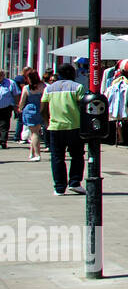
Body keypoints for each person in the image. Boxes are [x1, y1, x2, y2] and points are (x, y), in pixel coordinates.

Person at [42, 63, 86, 197]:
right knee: (77, 156)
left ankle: (59, 187)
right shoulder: (77, 87)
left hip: (55, 127)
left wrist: (47, 122)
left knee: (57, 157)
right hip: (75, 126)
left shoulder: (49, 89)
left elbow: (43, 108)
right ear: (72, 74)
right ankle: (75, 182)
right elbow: (83, 107)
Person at [18, 71, 45, 162]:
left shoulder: (26, 88)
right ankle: (32, 152)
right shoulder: (42, 86)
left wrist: (20, 108)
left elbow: (22, 101)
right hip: (39, 109)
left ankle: (37, 154)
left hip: (29, 110)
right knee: (35, 131)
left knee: (34, 133)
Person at [0, 68, 20, 150]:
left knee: (4, 125)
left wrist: (16, 106)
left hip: (6, 108)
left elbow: (16, 95)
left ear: (4, 75)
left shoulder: (10, 83)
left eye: (1, 75)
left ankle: (3, 141)